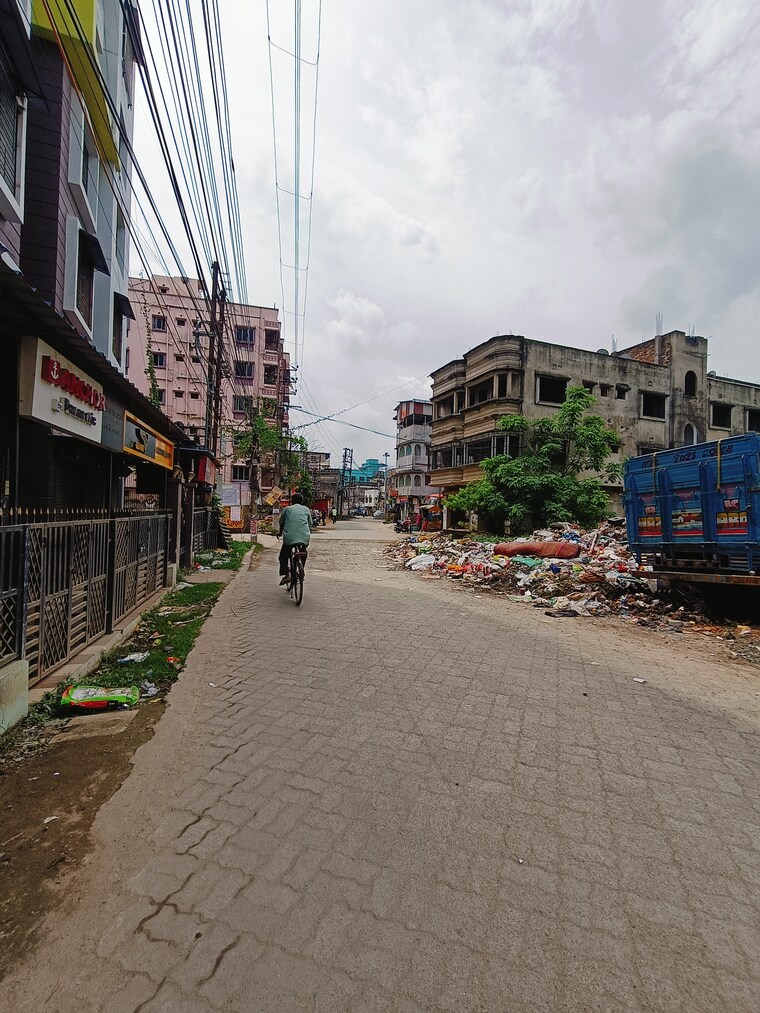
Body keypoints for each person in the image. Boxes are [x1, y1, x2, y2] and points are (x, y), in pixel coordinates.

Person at [277, 494, 313, 585]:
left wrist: (280, 533)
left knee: (283, 556)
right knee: (303, 553)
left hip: (290, 538)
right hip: (304, 537)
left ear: (292, 501)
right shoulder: (306, 509)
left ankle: (286, 575)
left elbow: (281, 523)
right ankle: (301, 571)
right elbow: (310, 523)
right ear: (302, 501)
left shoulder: (287, 509)